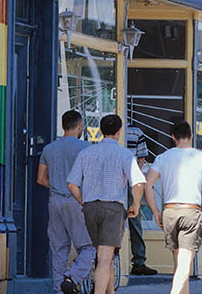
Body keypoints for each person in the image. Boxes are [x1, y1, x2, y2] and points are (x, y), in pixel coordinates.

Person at [67, 115, 145, 294]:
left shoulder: (86, 153)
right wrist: (135, 205)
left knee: (105, 256)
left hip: (90, 208)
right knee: (104, 258)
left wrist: (83, 201)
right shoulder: (125, 154)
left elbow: (72, 184)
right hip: (113, 208)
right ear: (119, 132)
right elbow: (138, 183)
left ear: (101, 131)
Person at [144, 121, 202, 294]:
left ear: (173, 137)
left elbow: (147, 184)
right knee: (184, 264)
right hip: (191, 211)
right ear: (191, 136)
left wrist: (155, 211)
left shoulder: (163, 158)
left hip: (169, 212)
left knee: (180, 263)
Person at [37, 110, 96, 294]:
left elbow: (41, 179)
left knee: (58, 249)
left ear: (62, 126)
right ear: (80, 126)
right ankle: (72, 278)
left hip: (55, 201)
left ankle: (59, 290)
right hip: (77, 200)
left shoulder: (49, 149)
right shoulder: (86, 148)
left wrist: (57, 186)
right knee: (89, 246)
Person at [126, 125, 158, 276]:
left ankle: (111, 260)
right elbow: (141, 159)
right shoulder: (136, 132)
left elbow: (141, 159)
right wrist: (136, 176)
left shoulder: (134, 131)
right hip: (130, 181)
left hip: (119, 181)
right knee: (135, 221)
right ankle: (138, 261)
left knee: (117, 220)